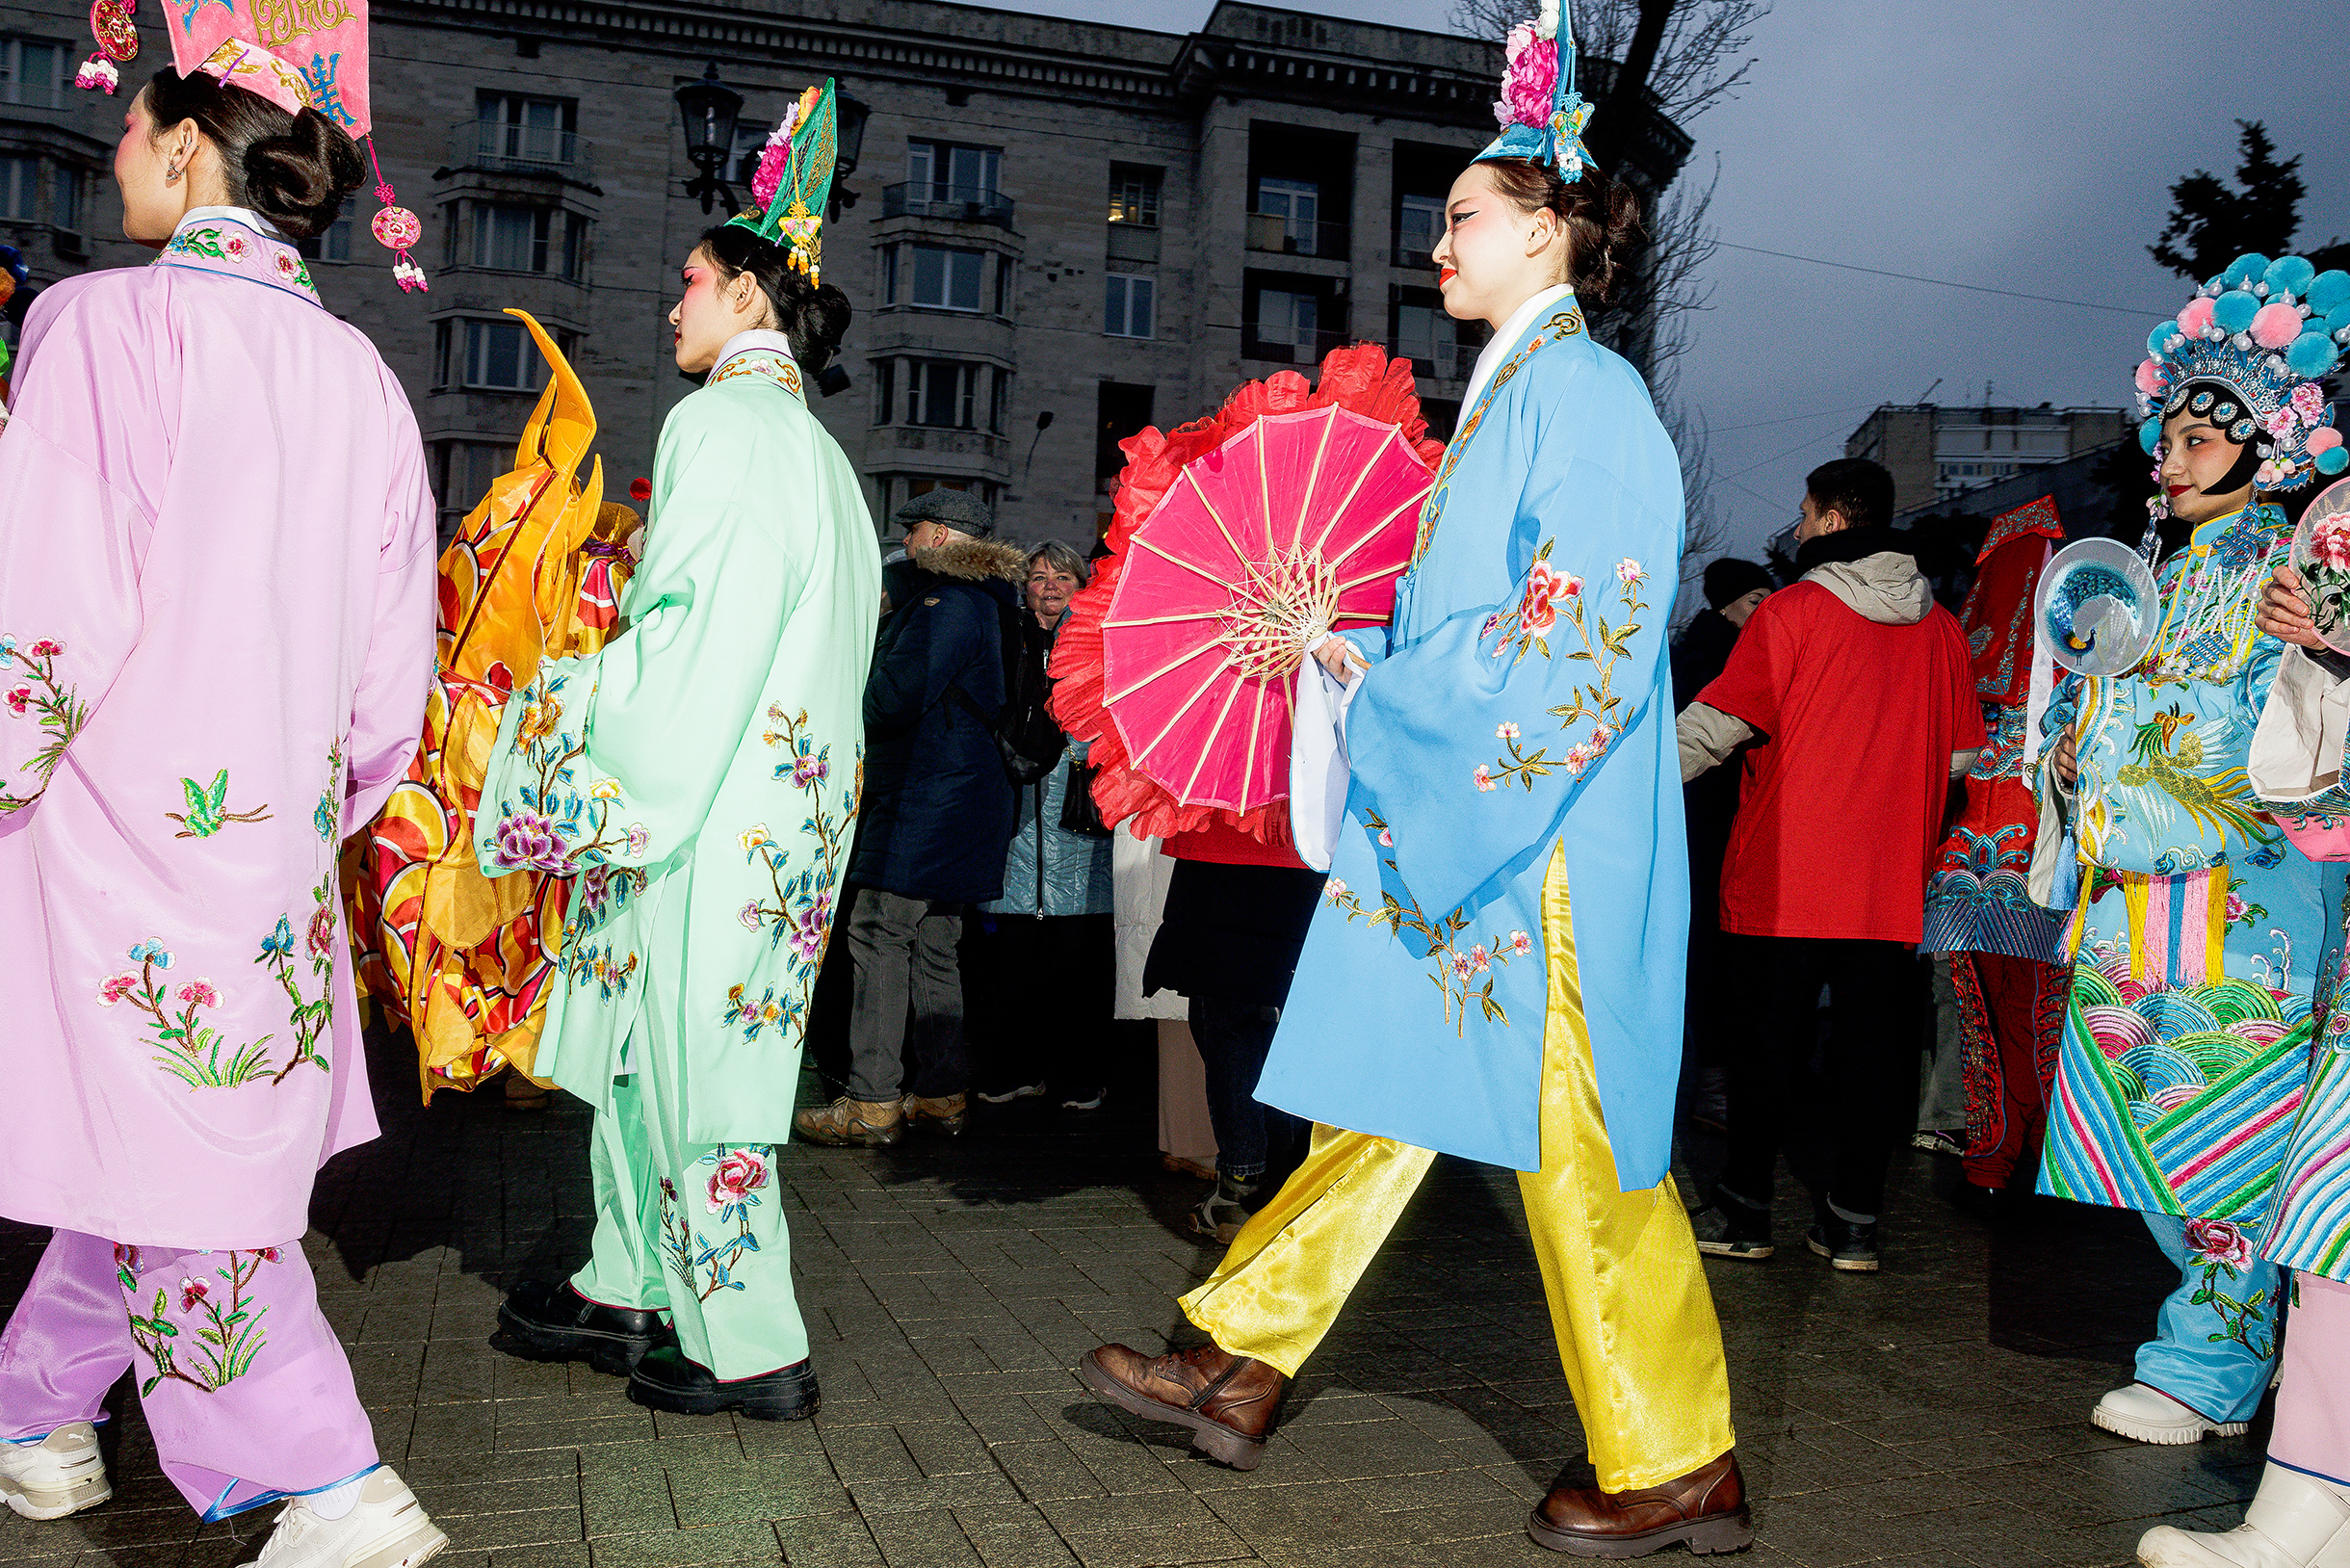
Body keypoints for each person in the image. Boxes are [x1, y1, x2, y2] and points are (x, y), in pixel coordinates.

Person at [1078, 17, 1751, 1555]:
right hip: (1477, 827)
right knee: (1380, 1092)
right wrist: (1354, 649)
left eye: (1458, 215)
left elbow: (1578, 639)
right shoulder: (1512, 406)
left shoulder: (1585, 402)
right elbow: (1484, 628)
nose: (1434, 240)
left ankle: (1677, 1453)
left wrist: (1388, 689)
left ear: (1548, 228)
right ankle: (1238, 1359)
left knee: (1580, 1147)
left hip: (1544, 842)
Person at [0, 37, 453, 1566]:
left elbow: (38, 620)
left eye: (130, 132)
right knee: (158, 1146)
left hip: (112, 836)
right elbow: (396, 695)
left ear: (190, 147)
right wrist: (296, 808)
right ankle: (35, 1415)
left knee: (185, 1184)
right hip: (264, 852)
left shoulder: (103, 326)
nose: (114, 156)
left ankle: (333, 1485)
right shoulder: (368, 384)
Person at [481, 82, 876, 1424]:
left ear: (753, 297)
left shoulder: (717, 428)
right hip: (784, 817)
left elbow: (689, 641)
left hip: (709, 809)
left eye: (693, 282)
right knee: (668, 1058)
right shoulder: (821, 456)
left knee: (704, 1075)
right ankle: (630, 1277)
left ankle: (750, 1343)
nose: (675, 306)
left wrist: (558, 708)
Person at [2032, 252, 2348, 1477]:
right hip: (2150, 885)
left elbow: (2263, 751)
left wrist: (2119, 801)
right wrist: (2070, 751)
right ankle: (2224, 1349)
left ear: (2267, 446)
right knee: (2155, 1126)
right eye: (2167, 431)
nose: (2173, 454)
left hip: (2242, 900)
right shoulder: (2161, 566)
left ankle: (2211, 1362)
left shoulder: (2285, 574)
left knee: (2227, 1130)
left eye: (2204, 436)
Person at [1677, 458, 1981, 1270]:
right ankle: (1853, 1225)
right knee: (1874, 1059)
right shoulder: (1942, 627)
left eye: (1807, 514)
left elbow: (1715, 728)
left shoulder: (1792, 612)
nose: (1800, 527)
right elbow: (1958, 760)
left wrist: (1609, 780)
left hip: (1785, 875)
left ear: (1837, 522)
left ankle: (1743, 1213)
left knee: (1764, 1052)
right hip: (1888, 884)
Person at [345, 313, 637, 1109]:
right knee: (497, 896)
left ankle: (488, 1035)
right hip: (485, 742)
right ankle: (491, 1037)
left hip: (478, 740)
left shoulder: (517, 526)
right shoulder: (532, 530)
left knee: (497, 895)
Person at [797, 491, 1025, 1145]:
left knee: (878, 930)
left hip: (929, 800)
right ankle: (941, 1091)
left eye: (917, 527)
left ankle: (871, 1099)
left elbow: (894, 699)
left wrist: (855, 670)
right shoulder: (989, 600)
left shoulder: (944, 604)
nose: (908, 538)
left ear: (943, 534)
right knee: (935, 942)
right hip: (964, 801)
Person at [1919, 496, 2069, 1190]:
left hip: (1965, 858)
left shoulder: (1956, 640)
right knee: (2036, 1014)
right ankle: (2039, 1156)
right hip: (2039, 854)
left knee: (1978, 1016)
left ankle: (1992, 1157)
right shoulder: (2082, 650)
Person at [973, 541, 1115, 1110]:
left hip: (1078, 819)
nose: (1050, 586)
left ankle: (1082, 1076)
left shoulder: (1102, 644)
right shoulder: (1008, 641)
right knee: (1015, 956)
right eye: (1037, 577)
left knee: (1077, 959)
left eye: (1063, 576)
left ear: (1082, 585)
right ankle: (1015, 1067)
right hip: (1016, 820)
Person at [1671, 556, 1772, 1133]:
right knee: (1709, 949)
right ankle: (1712, 1077)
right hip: (1703, 822)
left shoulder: (1738, 650)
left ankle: (1724, 1073)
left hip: (1737, 818)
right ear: (1726, 604)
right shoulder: (1700, 657)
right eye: (1755, 600)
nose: (1763, 610)